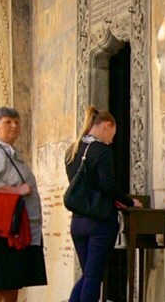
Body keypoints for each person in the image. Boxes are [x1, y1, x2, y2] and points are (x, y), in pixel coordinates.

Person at [0, 107, 45, 302]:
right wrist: (17, 190)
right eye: (8, 122)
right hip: (0, 225)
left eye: (17, 122)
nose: (14, 126)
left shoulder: (9, 151)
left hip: (15, 226)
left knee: (12, 279)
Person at [67, 106, 136, 302]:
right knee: (93, 278)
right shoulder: (102, 150)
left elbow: (84, 187)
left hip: (78, 222)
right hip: (100, 222)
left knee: (88, 276)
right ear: (107, 125)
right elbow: (108, 185)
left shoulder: (72, 149)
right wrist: (129, 201)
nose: (112, 140)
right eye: (112, 134)